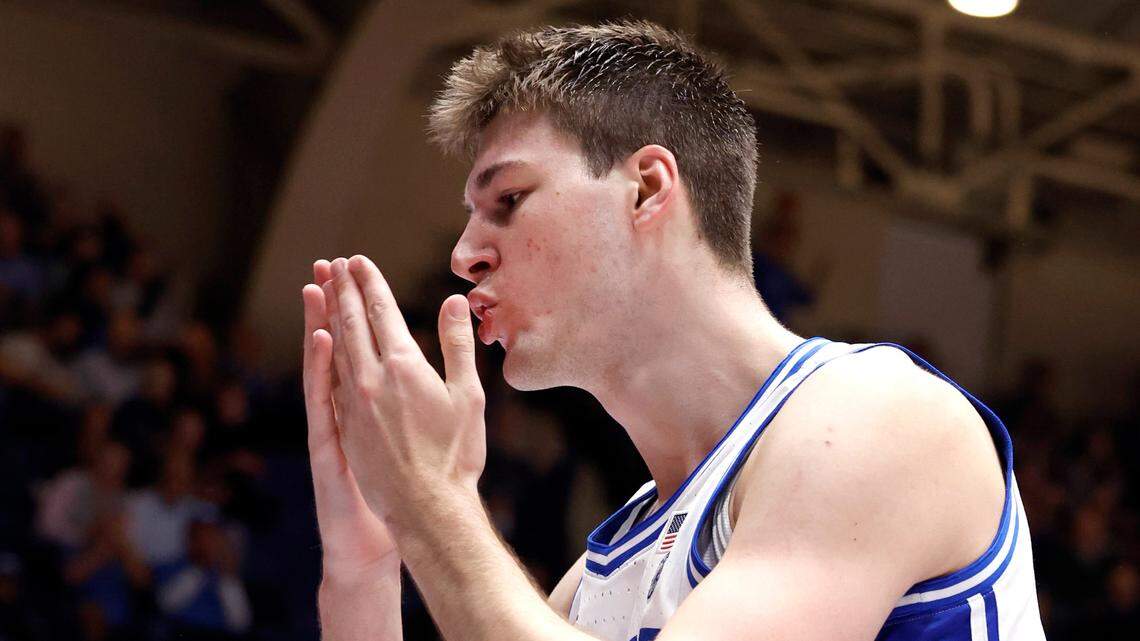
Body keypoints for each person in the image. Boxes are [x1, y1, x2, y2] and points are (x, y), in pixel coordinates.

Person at [299, 20, 1045, 641]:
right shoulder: (592, 587)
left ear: (648, 188)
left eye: (510, 199)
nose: (464, 255)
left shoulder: (877, 415)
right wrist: (365, 565)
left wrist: (431, 500)